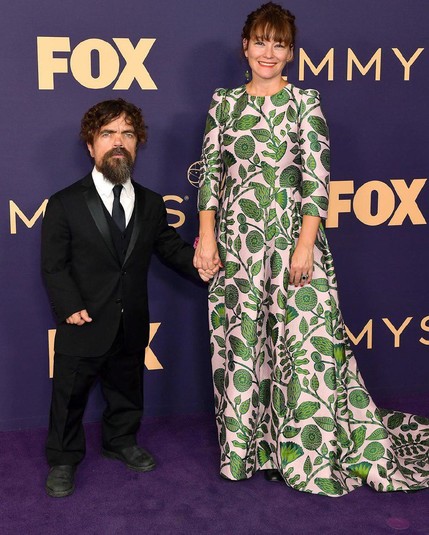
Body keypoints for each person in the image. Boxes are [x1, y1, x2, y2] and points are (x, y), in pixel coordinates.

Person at [193, 2, 429, 496]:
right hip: (238, 245)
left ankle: (304, 451)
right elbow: (211, 174)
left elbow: (316, 181)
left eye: (279, 44)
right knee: (243, 345)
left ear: (291, 52)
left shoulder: (305, 102)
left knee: (303, 349)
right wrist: (207, 236)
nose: (269, 52)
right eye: (261, 41)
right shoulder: (224, 103)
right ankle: (250, 451)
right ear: (245, 46)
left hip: (293, 242)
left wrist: (305, 245)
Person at [42, 98, 212, 498]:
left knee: (127, 388)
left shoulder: (150, 202)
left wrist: (204, 266)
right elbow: (53, 264)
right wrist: (69, 305)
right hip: (83, 320)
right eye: (108, 134)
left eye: (128, 134)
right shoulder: (65, 202)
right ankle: (63, 459)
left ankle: (121, 440)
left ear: (137, 144)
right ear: (91, 146)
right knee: (69, 396)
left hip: (131, 318)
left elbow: (170, 248)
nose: (118, 142)